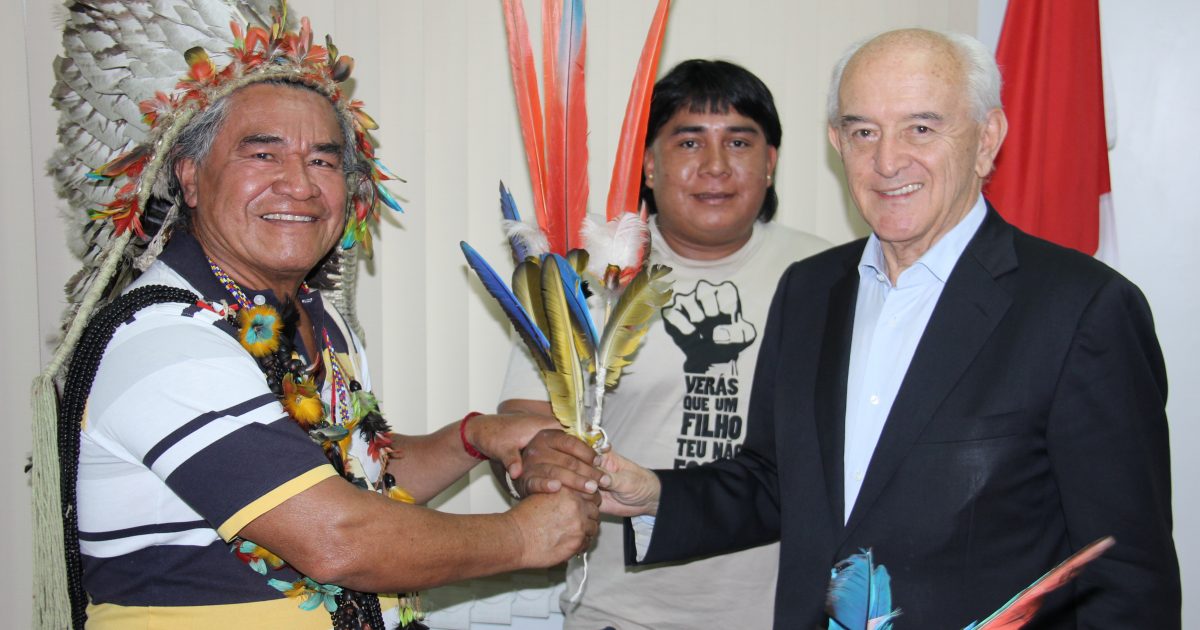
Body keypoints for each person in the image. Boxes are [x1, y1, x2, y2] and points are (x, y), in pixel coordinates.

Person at [523, 28, 1181, 628]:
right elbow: (774, 482)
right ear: (836, 142)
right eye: (863, 131)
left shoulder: (1082, 310)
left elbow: (1122, 571)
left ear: (987, 139)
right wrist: (652, 494)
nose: (888, 161)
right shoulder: (810, 289)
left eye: (921, 128)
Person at [37, 8, 597, 630]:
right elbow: (338, 536)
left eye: (324, 162)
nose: (300, 185)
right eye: (263, 154)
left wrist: (475, 436)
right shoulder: (166, 338)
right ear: (190, 177)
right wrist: (523, 537)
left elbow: (350, 479)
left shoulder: (310, 315)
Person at [497, 59, 829, 629]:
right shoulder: (586, 276)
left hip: (781, 612)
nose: (716, 165)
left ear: (770, 162)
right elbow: (523, 429)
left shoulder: (827, 275)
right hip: (620, 612)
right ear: (649, 164)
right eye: (689, 141)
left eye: (739, 142)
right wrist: (540, 465)